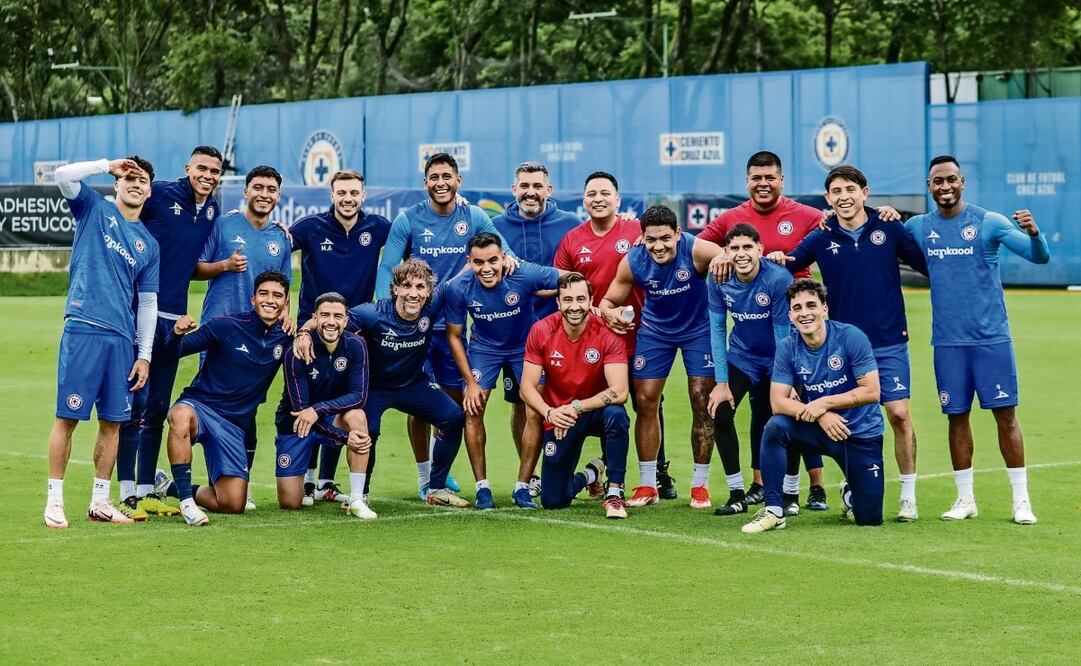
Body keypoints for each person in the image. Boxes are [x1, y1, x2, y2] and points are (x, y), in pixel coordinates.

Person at [768, 165, 928, 520]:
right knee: (844, 417)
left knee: (899, 414)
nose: (844, 197)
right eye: (836, 191)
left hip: (888, 340)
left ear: (864, 193)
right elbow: (791, 262)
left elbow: (926, 264)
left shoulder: (889, 226)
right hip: (841, 347)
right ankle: (852, 483)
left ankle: (908, 494)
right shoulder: (822, 235)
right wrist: (776, 258)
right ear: (828, 198)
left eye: (850, 189)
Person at [904, 155, 1049, 525]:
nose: (945, 186)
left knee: (1006, 417)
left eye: (951, 179)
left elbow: (1039, 257)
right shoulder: (919, 227)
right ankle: (965, 499)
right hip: (948, 343)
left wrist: (1035, 233)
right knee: (956, 418)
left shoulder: (989, 222)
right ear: (929, 186)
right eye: (938, 181)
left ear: (962, 182)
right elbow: (885, 242)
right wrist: (884, 214)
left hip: (991, 340)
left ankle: (1021, 501)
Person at [375, 153, 514, 499]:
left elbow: (504, 250)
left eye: (446, 176)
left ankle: (440, 471)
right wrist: (385, 314)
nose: (441, 183)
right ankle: (425, 477)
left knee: (450, 405)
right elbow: (387, 267)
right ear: (425, 183)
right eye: (434, 177)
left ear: (458, 180)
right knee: (419, 405)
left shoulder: (474, 216)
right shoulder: (408, 219)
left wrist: (511, 259)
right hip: (416, 330)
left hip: (453, 329)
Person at [696, 151, 830, 501]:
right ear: (747, 182)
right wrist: (720, 255)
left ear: (781, 180)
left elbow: (838, 220)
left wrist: (880, 214)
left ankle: (812, 487)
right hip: (748, 348)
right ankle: (754, 486)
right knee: (758, 412)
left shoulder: (805, 214)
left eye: (770, 177)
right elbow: (698, 245)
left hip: (797, 329)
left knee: (797, 406)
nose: (763, 183)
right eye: (756, 178)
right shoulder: (732, 218)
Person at [44, 157, 160, 528]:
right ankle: (54, 501)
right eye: (130, 178)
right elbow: (62, 175)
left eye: (143, 181)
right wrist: (107, 165)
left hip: (121, 340)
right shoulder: (93, 207)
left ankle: (99, 502)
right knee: (67, 418)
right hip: (83, 328)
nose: (136, 184)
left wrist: (144, 354)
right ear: (118, 184)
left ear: (149, 191)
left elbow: (148, 304)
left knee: (113, 423)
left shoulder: (149, 244)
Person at [299, 259, 469, 508]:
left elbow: (463, 273)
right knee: (368, 430)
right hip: (374, 387)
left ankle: (436, 488)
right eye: (407, 286)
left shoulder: (432, 305)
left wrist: (503, 259)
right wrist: (304, 332)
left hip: (413, 384)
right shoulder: (372, 313)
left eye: (420, 287)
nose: (413, 294)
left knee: (453, 417)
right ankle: (361, 494)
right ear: (395, 288)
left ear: (429, 291)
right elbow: (333, 320)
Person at [115, 146, 222, 520]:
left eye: (215, 171)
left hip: (175, 319)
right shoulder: (159, 192)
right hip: (140, 311)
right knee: (134, 404)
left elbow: (188, 264)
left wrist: (224, 266)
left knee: (158, 407)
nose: (207, 175)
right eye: (201, 168)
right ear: (188, 168)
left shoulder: (212, 209)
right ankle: (126, 492)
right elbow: (125, 227)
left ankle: (147, 491)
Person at [554, 171, 675, 499]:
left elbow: (666, 255)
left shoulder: (637, 231)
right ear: (584, 200)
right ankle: (607, 473)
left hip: (642, 336)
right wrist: (601, 312)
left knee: (649, 402)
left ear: (618, 199)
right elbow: (565, 291)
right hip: (594, 341)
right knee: (610, 410)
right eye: (592, 193)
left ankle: (659, 473)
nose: (598, 199)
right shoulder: (572, 240)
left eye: (605, 193)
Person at [599, 205, 721, 509]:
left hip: (698, 330)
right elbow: (608, 301)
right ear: (642, 237)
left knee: (701, 401)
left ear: (678, 234)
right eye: (651, 239)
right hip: (655, 331)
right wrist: (610, 313)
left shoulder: (695, 249)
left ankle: (700, 486)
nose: (658, 246)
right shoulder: (633, 260)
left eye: (665, 238)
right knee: (645, 401)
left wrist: (722, 260)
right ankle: (647, 485)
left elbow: (727, 256)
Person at [742, 279, 885, 533]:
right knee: (776, 427)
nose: (804, 313)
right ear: (790, 315)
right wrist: (820, 415)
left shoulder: (850, 337)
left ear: (824, 309)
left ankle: (850, 493)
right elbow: (777, 402)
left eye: (811, 305)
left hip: (859, 433)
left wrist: (823, 403)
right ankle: (774, 510)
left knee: (869, 518)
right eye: (797, 308)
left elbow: (872, 391)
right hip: (819, 429)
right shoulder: (788, 347)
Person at [288, 169, 391, 506]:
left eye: (354, 193)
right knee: (309, 400)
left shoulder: (377, 227)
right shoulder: (310, 226)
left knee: (342, 400)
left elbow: (410, 243)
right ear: (331, 195)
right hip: (312, 331)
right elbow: (275, 247)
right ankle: (307, 480)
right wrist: (302, 327)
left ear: (363, 196)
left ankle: (326, 482)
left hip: (355, 333)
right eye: (342, 193)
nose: (348, 199)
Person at [193, 165, 292, 510]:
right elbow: (195, 268)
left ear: (278, 196)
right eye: (258, 187)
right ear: (245, 191)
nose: (264, 194)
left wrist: (288, 316)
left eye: (271, 189)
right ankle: (214, 484)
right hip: (219, 333)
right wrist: (224, 266)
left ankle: (239, 483)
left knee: (247, 409)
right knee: (212, 405)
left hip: (259, 338)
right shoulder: (222, 226)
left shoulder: (281, 238)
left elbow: (285, 288)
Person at [162, 270, 292, 526]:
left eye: (277, 296)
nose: (270, 300)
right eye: (263, 294)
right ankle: (187, 502)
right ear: (252, 298)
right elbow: (172, 352)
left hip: (233, 425)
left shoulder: (286, 336)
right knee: (180, 415)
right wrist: (176, 334)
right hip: (201, 407)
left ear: (286, 302)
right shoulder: (226, 325)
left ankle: (169, 487)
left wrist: (306, 331)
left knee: (232, 504)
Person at [444, 232, 561, 509]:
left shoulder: (523, 273)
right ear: (469, 262)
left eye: (493, 261)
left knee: (534, 409)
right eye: (478, 262)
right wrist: (470, 382)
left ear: (503, 258)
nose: (486, 268)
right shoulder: (458, 287)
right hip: (484, 349)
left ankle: (523, 487)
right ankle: (482, 488)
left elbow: (571, 279)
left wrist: (569, 298)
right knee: (473, 408)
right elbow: (454, 336)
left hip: (525, 348)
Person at [492, 161, 581, 496]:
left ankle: (573, 473)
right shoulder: (496, 227)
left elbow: (579, 276)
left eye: (537, 186)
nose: (531, 192)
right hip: (516, 336)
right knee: (523, 404)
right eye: (525, 186)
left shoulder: (570, 224)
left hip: (564, 333)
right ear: (514, 189)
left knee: (571, 403)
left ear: (549, 190)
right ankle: (529, 476)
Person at [520, 273, 631, 519]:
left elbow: (620, 391)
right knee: (553, 501)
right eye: (567, 299)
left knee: (617, 415)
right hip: (561, 417)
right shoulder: (541, 330)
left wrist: (577, 406)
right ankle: (591, 473)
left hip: (593, 411)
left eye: (581, 299)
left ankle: (614, 493)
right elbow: (526, 387)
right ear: (558, 302)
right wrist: (550, 413)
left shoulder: (607, 332)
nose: (574, 306)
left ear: (591, 301)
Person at [706, 224, 794, 517]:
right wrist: (721, 382)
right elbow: (718, 329)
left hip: (778, 358)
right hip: (743, 357)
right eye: (735, 248)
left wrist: (785, 382)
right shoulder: (718, 278)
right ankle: (736, 494)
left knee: (784, 417)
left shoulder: (778, 278)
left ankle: (788, 493)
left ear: (760, 249)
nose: (741, 254)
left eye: (747, 247)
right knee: (720, 411)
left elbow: (783, 336)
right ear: (726, 252)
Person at [275, 292, 375, 519]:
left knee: (358, 417)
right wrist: (344, 437)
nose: (331, 322)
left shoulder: (356, 345)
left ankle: (357, 499)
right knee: (290, 502)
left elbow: (358, 396)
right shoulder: (296, 351)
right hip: (297, 425)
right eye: (325, 315)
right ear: (315, 319)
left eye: (337, 316)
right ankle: (307, 482)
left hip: (327, 418)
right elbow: (301, 410)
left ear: (346, 321)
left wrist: (318, 410)